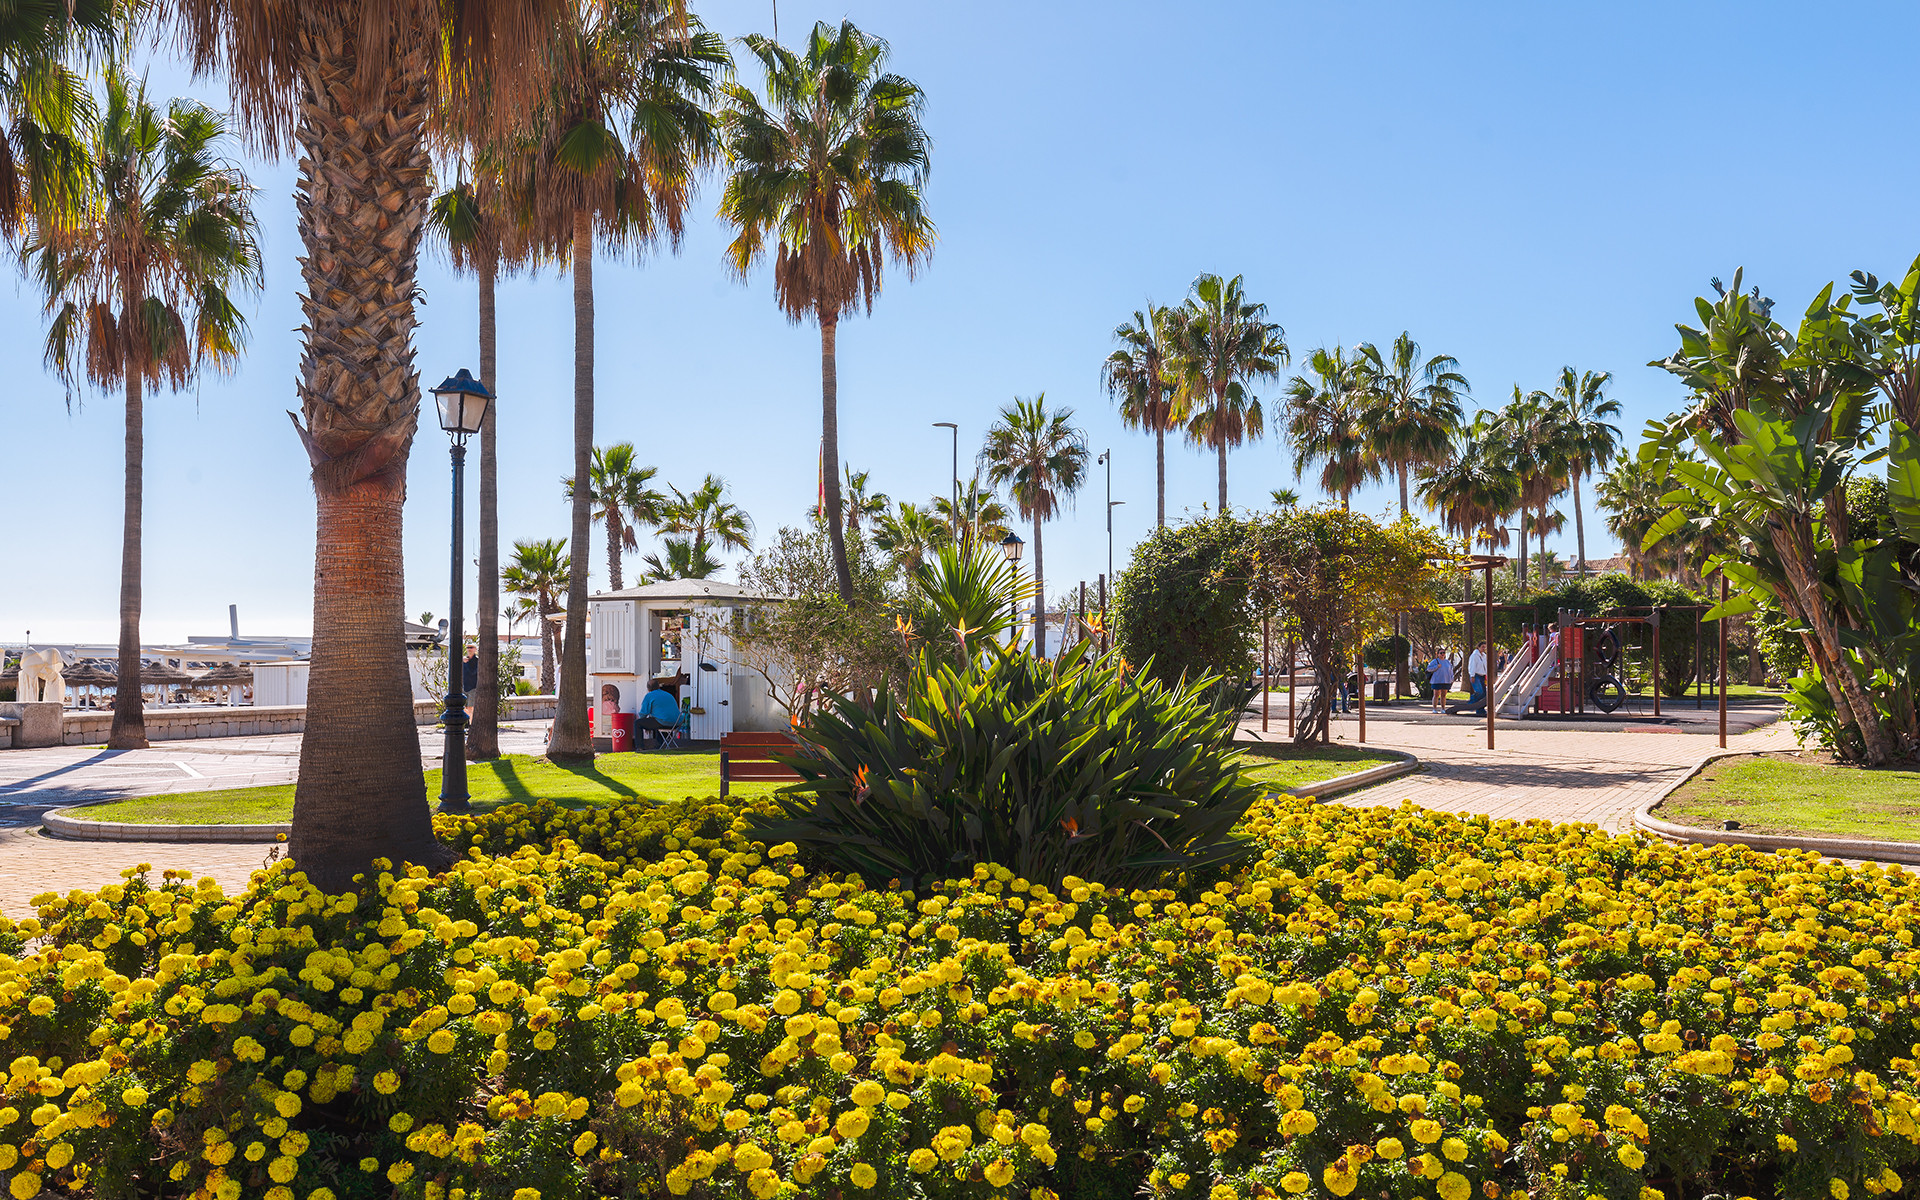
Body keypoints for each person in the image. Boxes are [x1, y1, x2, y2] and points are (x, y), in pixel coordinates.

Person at [636, 682, 680, 749]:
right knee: (658, 719)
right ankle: (658, 745)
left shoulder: (649, 695)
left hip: (663, 722)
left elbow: (643, 713)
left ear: (648, 689)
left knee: (637, 723)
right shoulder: (668, 694)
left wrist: (643, 721)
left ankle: (640, 747)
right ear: (659, 687)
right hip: (676, 723)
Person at [1465, 645, 1488, 714]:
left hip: (1482, 676)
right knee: (1479, 691)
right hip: (1476, 675)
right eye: (1482, 647)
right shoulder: (1474, 655)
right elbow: (1472, 665)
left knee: (1484, 693)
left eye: (1485, 647)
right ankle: (1471, 702)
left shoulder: (1484, 656)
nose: (1484, 648)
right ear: (1478, 647)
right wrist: (1472, 675)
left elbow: (1485, 666)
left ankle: (1480, 709)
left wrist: (1486, 675)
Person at [462, 647, 480, 718]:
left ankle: (471, 724)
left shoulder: (477, 661)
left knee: (470, 707)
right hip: (464, 687)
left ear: (475, 649)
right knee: (464, 708)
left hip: (473, 687)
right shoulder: (464, 660)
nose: (469, 649)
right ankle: (466, 723)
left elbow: (473, 672)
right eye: (468, 647)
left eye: (471, 647)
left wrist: (466, 664)